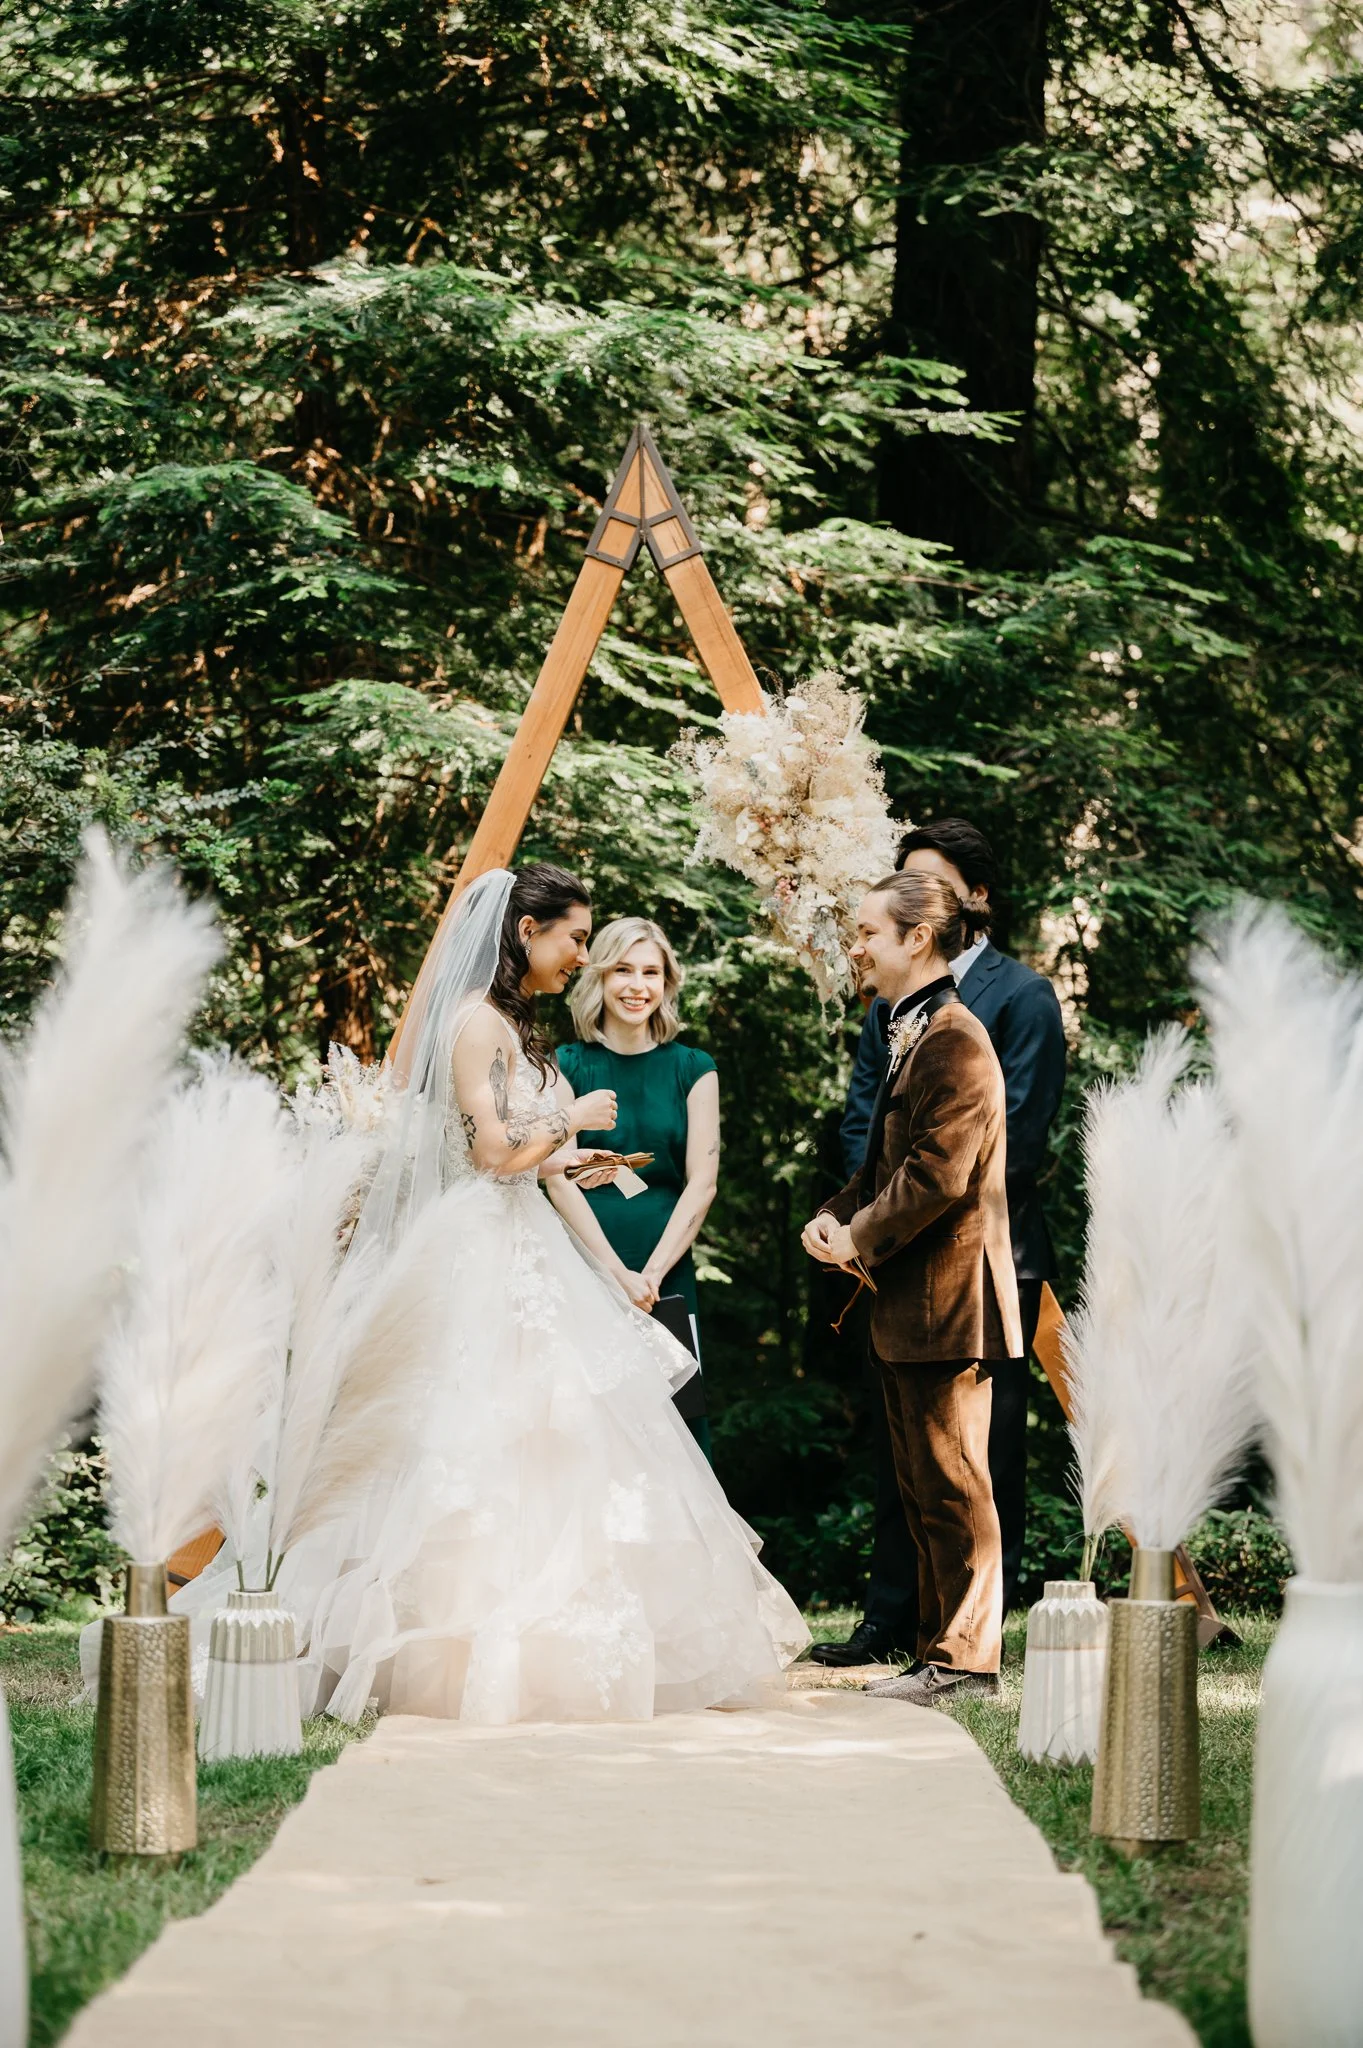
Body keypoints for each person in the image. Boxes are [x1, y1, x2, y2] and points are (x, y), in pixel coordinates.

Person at [144, 865, 807, 1725]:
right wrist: (570, 1120)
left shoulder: (519, 1031)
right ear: (525, 931)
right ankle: (428, 1642)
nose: (579, 955)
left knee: (561, 1437)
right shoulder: (472, 1025)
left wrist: (612, 1270)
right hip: (475, 1257)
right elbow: (496, 1154)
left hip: (534, 1249)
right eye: (573, 937)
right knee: (455, 1435)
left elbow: (547, 1176)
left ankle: (555, 1642)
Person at [810, 818, 1065, 1670]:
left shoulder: (955, 1034)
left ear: (918, 938)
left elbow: (937, 1176)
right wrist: (835, 1212)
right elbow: (884, 1150)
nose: (858, 951)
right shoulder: (904, 1027)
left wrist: (857, 1235)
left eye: (868, 935)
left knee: (958, 1486)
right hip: (906, 1296)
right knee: (922, 1489)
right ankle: (930, 1650)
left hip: (951, 1297)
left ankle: (963, 1661)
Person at [548, 917, 720, 1460]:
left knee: (674, 1423)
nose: (636, 985)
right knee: (585, 1420)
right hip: (583, 1263)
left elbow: (703, 1182)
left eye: (651, 971)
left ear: (667, 983)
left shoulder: (694, 1068)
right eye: (622, 969)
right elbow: (559, 1179)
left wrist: (650, 1274)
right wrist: (614, 1273)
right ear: (598, 976)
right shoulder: (565, 1064)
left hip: (664, 1271)